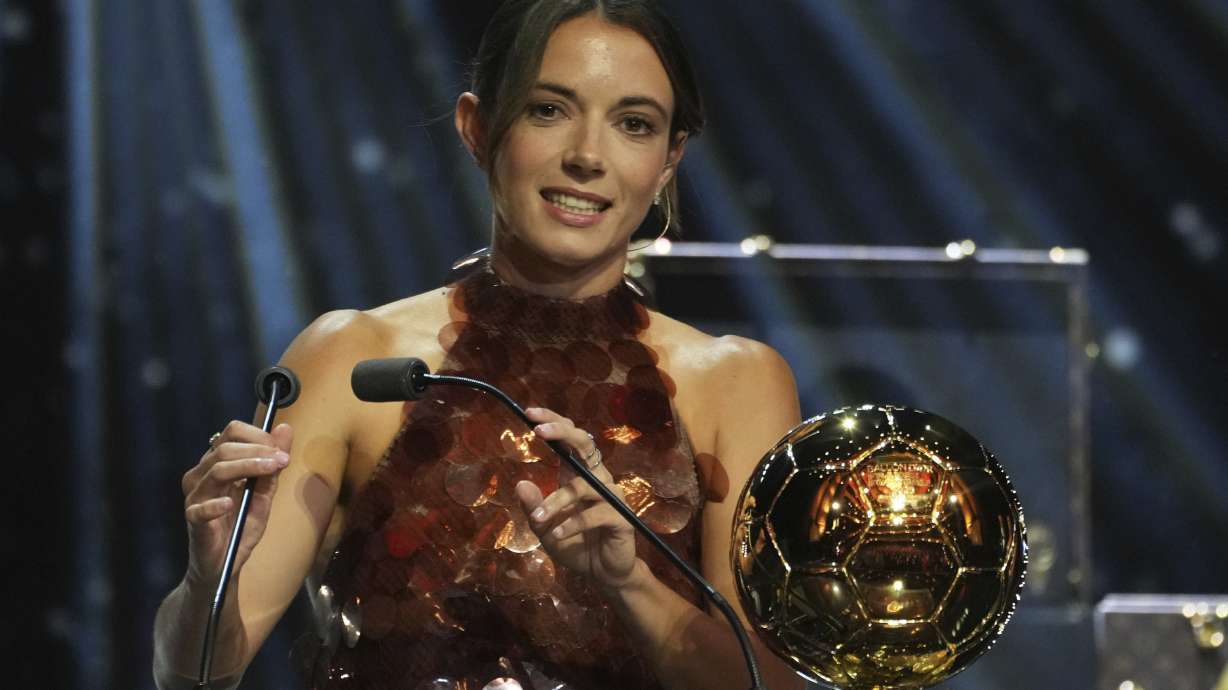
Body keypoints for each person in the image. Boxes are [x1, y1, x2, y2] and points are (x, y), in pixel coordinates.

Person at [153, 1, 802, 688]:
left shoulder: (736, 383)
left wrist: (629, 584)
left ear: (669, 160)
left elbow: (767, 684)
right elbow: (193, 675)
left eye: (633, 125)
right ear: (478, 126)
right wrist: (206, 579)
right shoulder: (352, 359)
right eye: (549, 110)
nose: (586, 156)